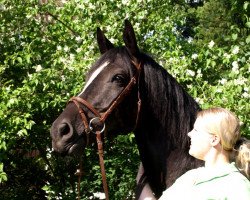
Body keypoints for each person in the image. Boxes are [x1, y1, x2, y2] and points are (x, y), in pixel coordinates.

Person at [136, 107, 250, 200]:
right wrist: (141, 180)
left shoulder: (237, 185)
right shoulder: (189, 178)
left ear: (214, 139)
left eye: (196, 130)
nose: (189, 134)